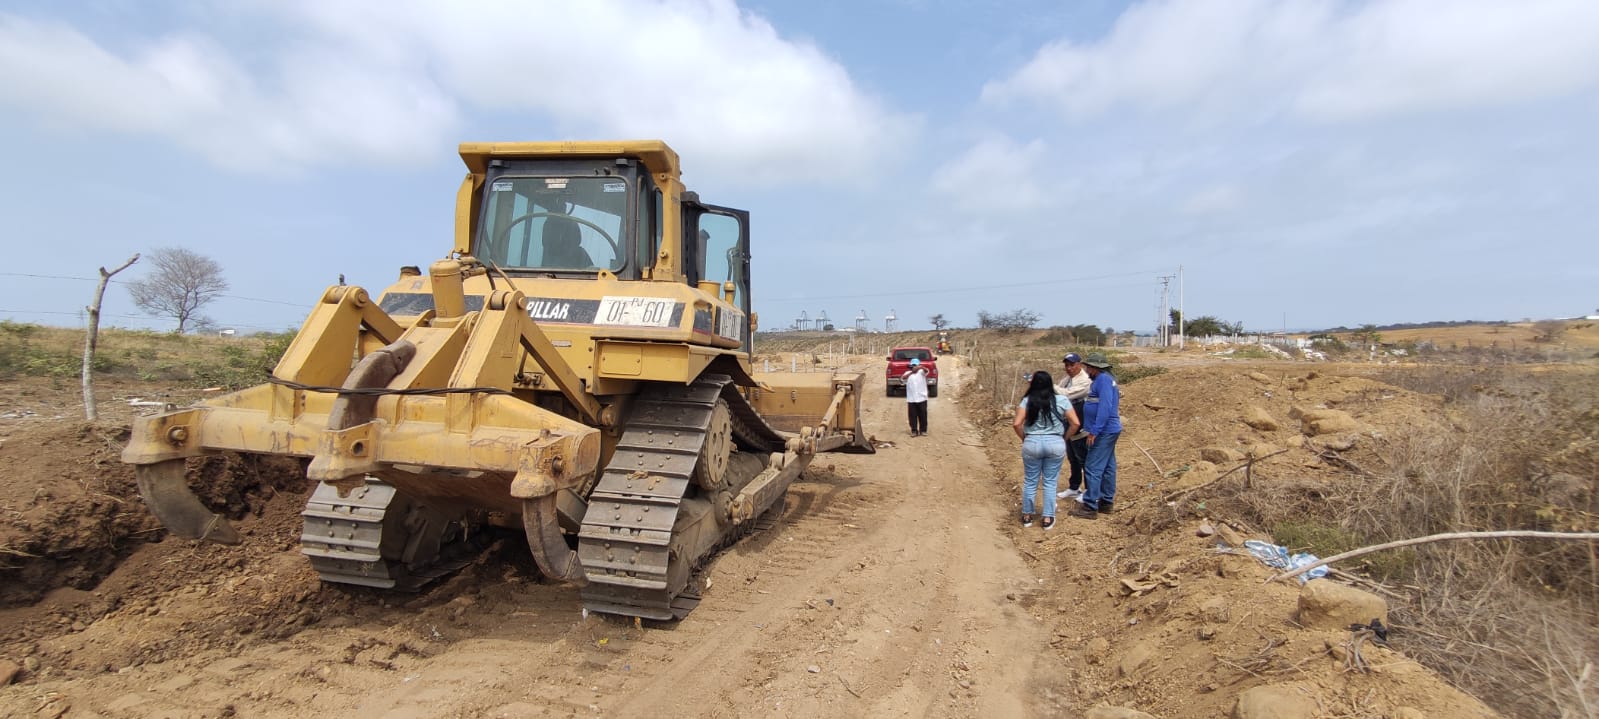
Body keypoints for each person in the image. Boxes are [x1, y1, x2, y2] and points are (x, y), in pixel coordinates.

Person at [1013, 371, 1081, 530]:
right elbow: (1075, 423)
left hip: (1032, 443)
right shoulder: (1062, 400)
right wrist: (1064, 438)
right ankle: (1048, 517)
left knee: (1030, 480)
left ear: (1033, 384)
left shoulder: (1027, 401)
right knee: (1050, 482)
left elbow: (1016, 424)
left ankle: (1027, 515)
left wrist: (1025, 438)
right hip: (1055, 443)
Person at [1071, 353, 1122, 520]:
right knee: (1108, 466)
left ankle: (1090, 505)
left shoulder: (1104, 381)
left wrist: (1095, 431)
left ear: (1095, 368)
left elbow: (1105, 408)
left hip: (1104, 431)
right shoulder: (1104, 380)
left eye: (1088, 367)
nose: (1087, 370)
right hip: (1107, 430)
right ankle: (1106, 502)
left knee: (1092, 466)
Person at [1055, 353, 1091, 501]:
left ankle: (1089, 491)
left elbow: (1065, 395)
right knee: (1072, 458)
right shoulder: (1067, 379)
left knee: (1083, 459)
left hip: (1081, 426)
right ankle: (1074, 487)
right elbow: (1058, 394)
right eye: (1066, 365)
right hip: (1068, 424)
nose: (1069, 368)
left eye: (1072, 365)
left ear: (1079, 365)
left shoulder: (1085, 381)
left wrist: (1047, 385)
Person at [903, 357, 930, 436]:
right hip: (911, 399)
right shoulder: (907, 373)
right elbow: (903, 378)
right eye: (913, 365)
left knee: (923, 415)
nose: (914, 366)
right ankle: (914, 431)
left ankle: (923, 430)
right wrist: (912, 372)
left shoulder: (922, 372)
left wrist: (920, 367)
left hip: (922, 398)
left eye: (916, 365)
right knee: (912, 416)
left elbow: (927, 371)